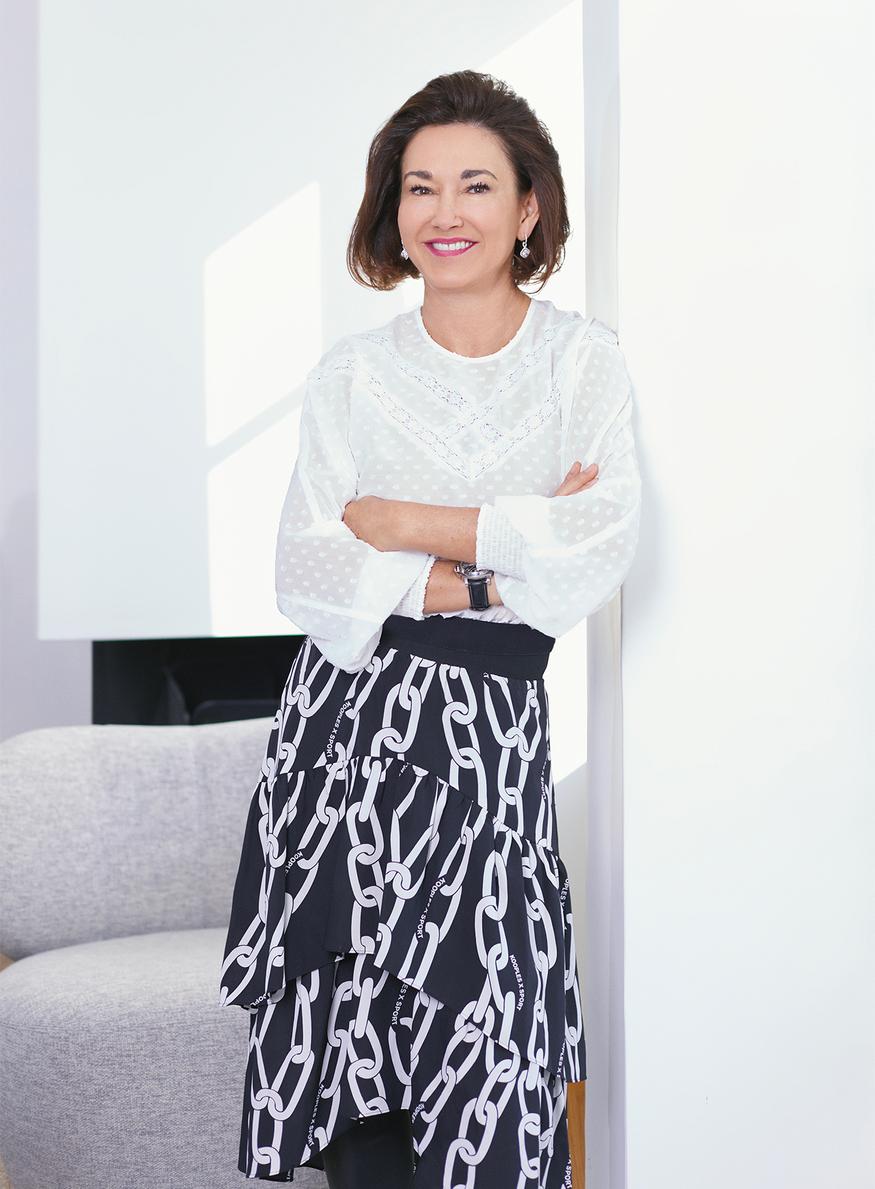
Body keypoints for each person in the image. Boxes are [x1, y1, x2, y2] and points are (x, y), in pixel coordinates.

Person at [218, 68, 642, 1188]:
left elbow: (597, 543)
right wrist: (500, 559)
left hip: (488, 738)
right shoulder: (352, 375)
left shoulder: (579, 361)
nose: (444, 213)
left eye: (475, 185)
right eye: (419, 187)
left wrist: (405, 526)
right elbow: (306, 564)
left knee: (490, 1024)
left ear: (528, 206)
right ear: (392, 211)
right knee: (361, 1039)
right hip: (345, 733)